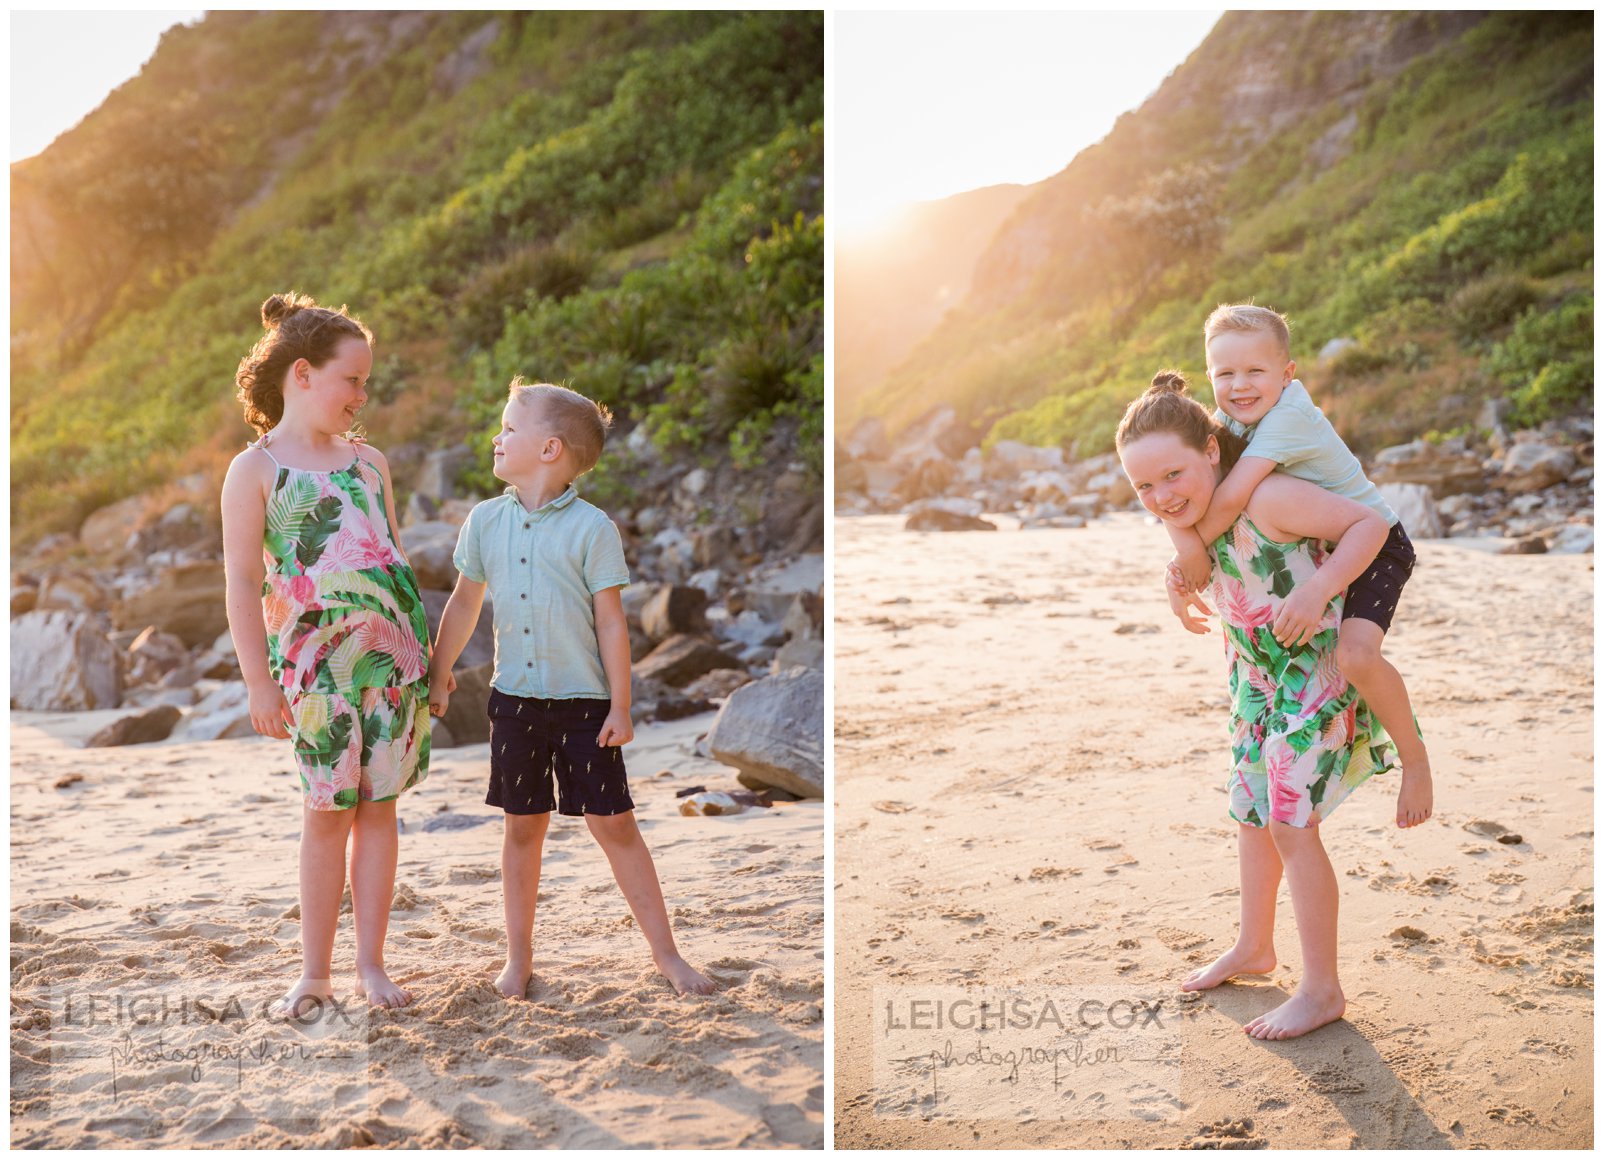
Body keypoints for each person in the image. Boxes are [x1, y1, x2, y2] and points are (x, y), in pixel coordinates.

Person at [1118, 371, 1398, 1040]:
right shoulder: (1193, 522)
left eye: (1174, 475)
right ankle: (1254, 945)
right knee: (1251, 812)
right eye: (1144, 488)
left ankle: (1323, 988)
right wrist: (1174, 579)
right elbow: (1198, 559)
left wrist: (1323, 587)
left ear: (1212, 452)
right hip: (1254, 682)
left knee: (1292, 826)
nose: (1162, 497)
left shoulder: (1269, 497)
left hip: (1313, 678)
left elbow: (1370, 524)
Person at [427, 379, 715, 998]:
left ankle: (667, 955)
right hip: (514, 704)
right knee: (522, 828)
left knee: (615, 826)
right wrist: (439, 670)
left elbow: (611, 621)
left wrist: (622, 704)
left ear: (551, 448)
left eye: (509, 428)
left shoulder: (592, 528)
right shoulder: (484, 521)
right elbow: (464, 603)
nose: (496, 438)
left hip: (586, 708)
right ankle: (519, 960)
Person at [221, 292, 432, 1016]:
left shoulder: (369, 463)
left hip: (394, 666)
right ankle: (315, 972)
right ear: (302, 375)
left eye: (367, 383)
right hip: (316, 676)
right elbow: (244, 581)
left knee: (381, 811)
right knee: (326, 813)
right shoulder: (255, 471)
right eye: (353, 380)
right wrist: (258, 682)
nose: (362, 395)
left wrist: (432, 655)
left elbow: (394, 558)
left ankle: (371, 964)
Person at [1161, 303, 1432, 830]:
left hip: (1375, 540)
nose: (1240, 386)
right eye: (1225, 374)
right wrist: (1180, 556)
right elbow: (1181, 490)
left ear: (1287, 375)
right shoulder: (1230, 421)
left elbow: (1229, 498)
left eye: (1255, 371)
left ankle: (1415, 761)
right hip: (1325, 536)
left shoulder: (1288, 417)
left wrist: (1190, 557)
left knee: (1354, 654)